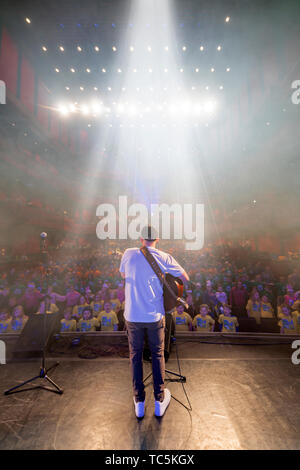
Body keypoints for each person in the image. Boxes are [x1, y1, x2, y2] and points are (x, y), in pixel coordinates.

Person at [119, 226, 189, 419]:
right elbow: (185, 277)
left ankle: (139, 402)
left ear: (141, 238)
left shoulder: (128, 253)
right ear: (157, 238)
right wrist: (163, 276)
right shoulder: (164, 257)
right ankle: (159, 400)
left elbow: (124, 275)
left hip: (133, 315)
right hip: (154, 316)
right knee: (157, 355)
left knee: (135, 356)